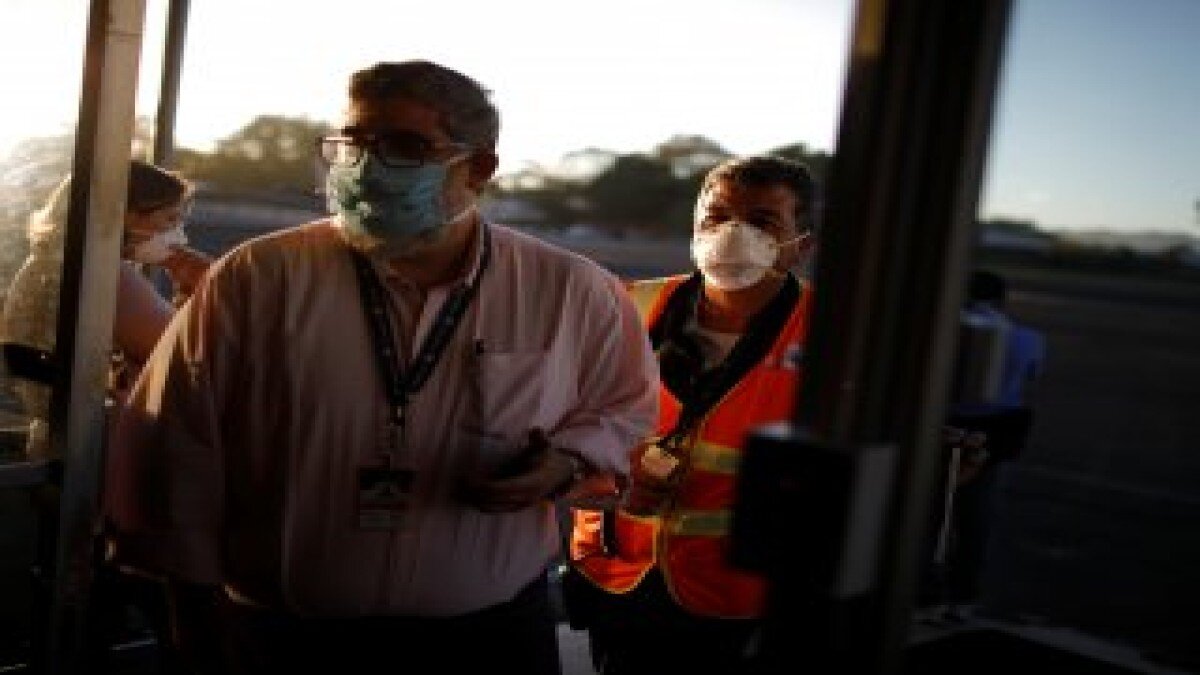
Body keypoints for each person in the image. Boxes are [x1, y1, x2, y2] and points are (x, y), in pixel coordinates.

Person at [104, 60, 658, 674]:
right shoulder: (258, 277)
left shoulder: (572, 290)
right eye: (355, 143)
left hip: (488, 638)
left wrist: (566, 461)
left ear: (479, 168)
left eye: (404, 147)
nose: (368, 166)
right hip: (280, 636)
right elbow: (176, 443)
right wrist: (193, 615)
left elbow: (622, 411)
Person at [568, 156, 817, 675]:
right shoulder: (627, 307)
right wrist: (610, 481)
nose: (733, 234)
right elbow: (565, 421)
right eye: (717, 217)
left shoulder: (831, 335)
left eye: (762, 221)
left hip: (737, 594)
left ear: (802, 245)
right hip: (619, 575)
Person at [0, 159, 211, 458]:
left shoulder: (50, 264)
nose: (180, 235)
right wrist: (203, 287)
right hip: (93, 449)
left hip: (55, 438)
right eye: (170, 219)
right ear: (124, 214)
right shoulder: (108, 275)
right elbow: (185, 356)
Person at [934, 269, 1046, 610]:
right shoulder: (1029, 338)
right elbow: (1032, 376)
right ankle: (963, 593)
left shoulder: (945, 331)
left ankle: (924, 586)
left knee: (932, 510)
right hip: (994, 432)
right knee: (976, 515)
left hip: (947, 426)